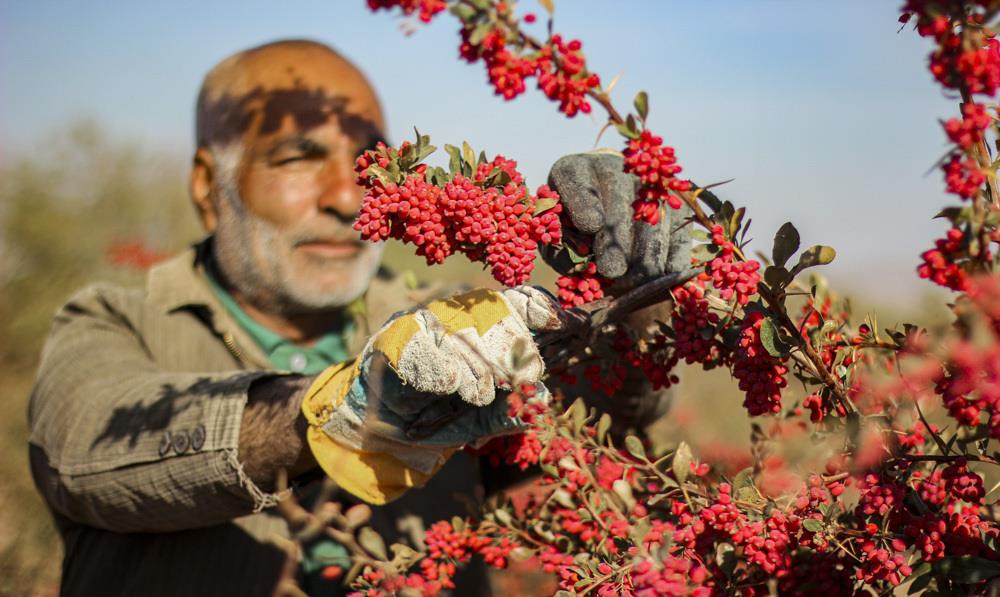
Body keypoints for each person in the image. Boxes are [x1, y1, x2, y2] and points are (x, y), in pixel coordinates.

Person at [27, 39, 690, 596]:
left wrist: (638, 298)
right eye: (297, 156)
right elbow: (91, 445)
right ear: (207, 184)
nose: (348, 195)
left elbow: (595, 409)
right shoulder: (111, 323)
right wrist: (340, 407)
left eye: (368, 162)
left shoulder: (454, 318)